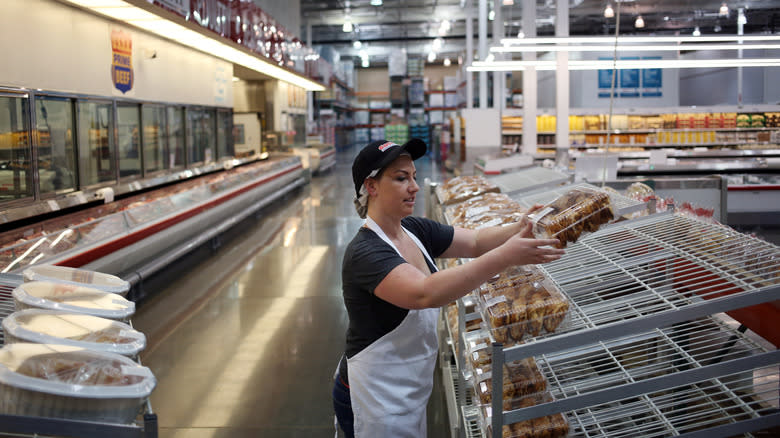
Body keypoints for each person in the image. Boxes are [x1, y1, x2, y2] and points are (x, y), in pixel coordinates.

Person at [332, 138, 565, 438]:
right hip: (373, 397)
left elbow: (477, 241)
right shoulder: (365, 253)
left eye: (414, 177)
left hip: (408, 387)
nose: (414, 186)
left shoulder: (415, 230)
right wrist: (507, 256)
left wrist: (520, 226)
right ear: (372, 187)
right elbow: (425, 292)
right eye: (401, 178)